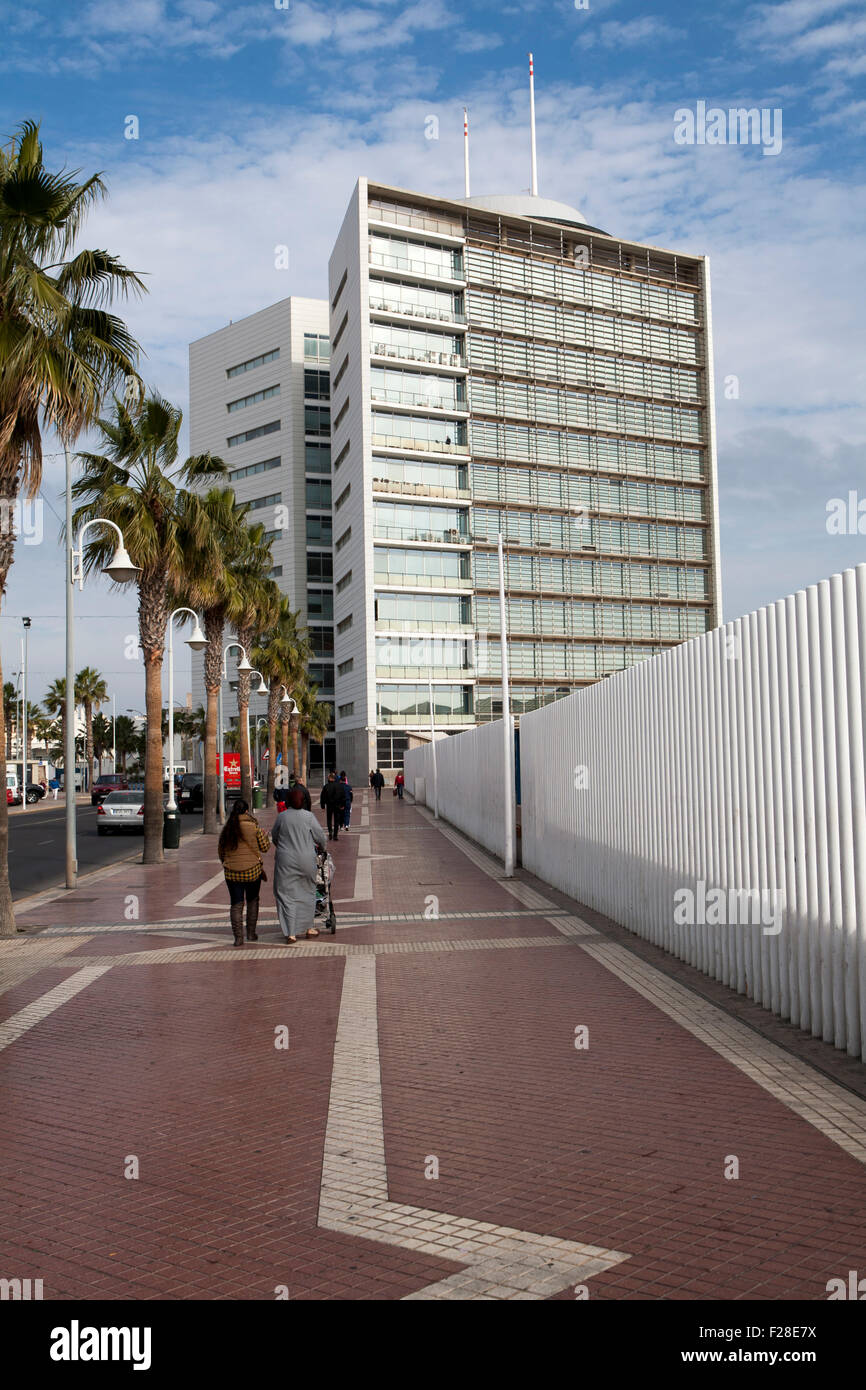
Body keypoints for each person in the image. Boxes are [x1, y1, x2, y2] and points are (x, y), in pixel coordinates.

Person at [271, 785, 329, 942]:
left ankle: (291, 933)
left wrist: (283, 848)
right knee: (308, 892)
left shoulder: (282, 817)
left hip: (285, 861)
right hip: (306, 860)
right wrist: (322, 849)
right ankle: (309, 927)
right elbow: (321, 838)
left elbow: (274, 837)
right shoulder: (308, 816)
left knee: (284, 894)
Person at [217, 799, 271, 948]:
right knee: (253, 900)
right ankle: (251, 933)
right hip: (252, 871)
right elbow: (265, 848)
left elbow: (221, 851)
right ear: (247, 811)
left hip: (232, 874)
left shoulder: (228, 828)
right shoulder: (254, 827)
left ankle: (238, 938)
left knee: (236, 904)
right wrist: (266, 837)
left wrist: (227, 863)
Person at [320, 771, 347, 840]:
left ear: (329, 778)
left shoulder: (326, 786)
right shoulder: (339, 786)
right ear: (334, 778)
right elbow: (343, 796)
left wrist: (323, 806)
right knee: (336, 820)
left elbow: (322, 796)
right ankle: (335, 835)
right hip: (337, 805)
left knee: (329, 819)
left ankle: (330, 833)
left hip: (329, 805)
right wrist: (343, 804)